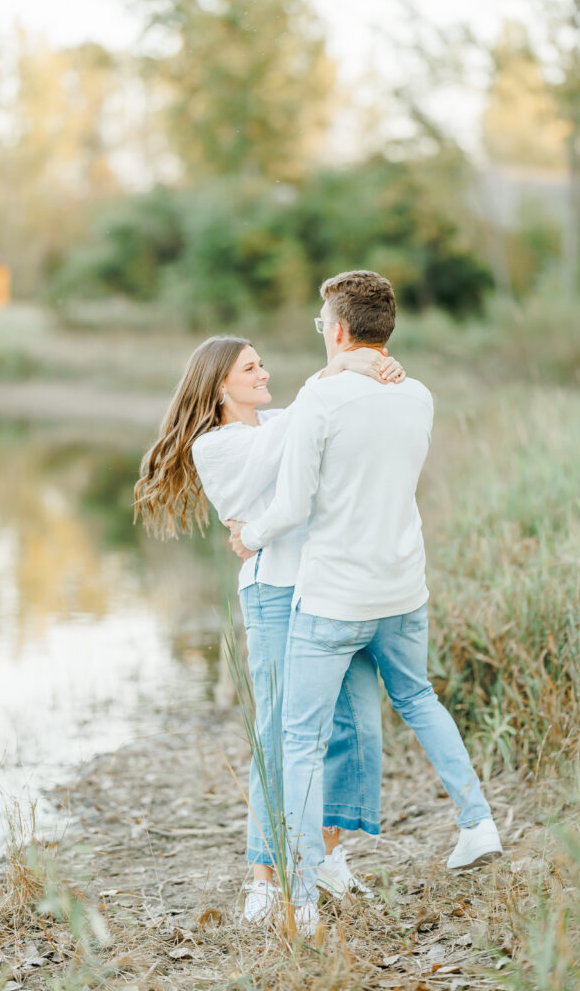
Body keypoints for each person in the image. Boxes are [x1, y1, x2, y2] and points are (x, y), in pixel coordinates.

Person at [227, 270, 502, 936]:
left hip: (335, 600)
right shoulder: (418, 396)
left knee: (299, 739)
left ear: (340, 330)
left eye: (323, 325)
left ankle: (302, 900)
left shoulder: (321, 399)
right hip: (403, 591)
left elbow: (291, 506)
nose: (322, 336)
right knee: (418, 698)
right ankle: (478, 823)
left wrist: (249, 535)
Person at [134, 334, 404, 925]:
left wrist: (372, 371)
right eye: (250, 367)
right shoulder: (217, 445)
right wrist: (331, 370)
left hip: (332, 587)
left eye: (261, 364)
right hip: (274, 593)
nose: (263, 372)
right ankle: (262, 874)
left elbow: (333, 429)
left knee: (353, 723)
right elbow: (272, 461)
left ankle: (329, 853)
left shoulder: (287, 417)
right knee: (280, 729)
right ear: (220, 384)